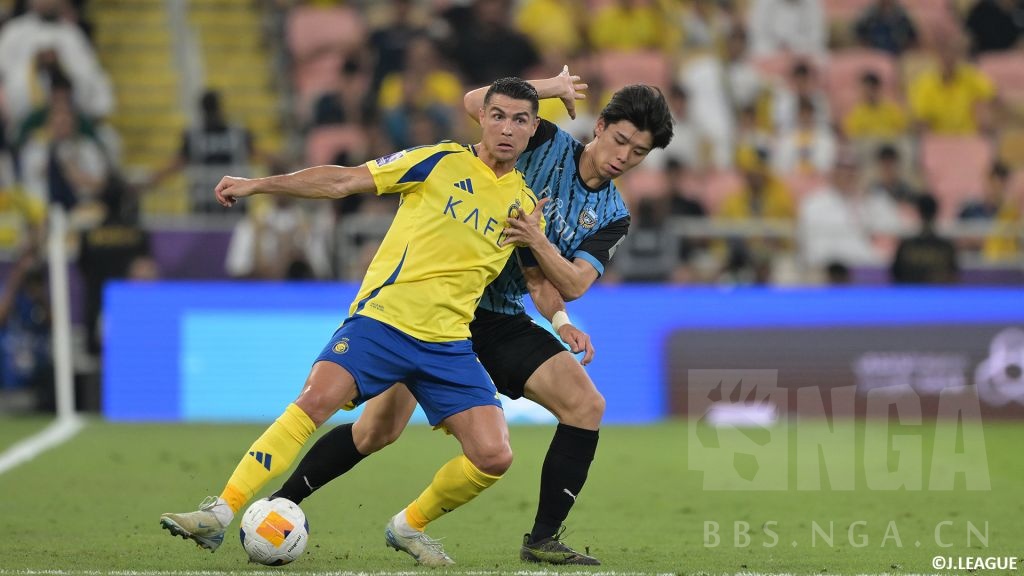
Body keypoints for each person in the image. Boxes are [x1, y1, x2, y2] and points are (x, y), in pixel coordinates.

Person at [270, 68, 673, 565]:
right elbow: (475, 102)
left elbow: (568, 283)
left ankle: (540, 539)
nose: (623, 157)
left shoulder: (614, 215)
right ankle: (279, 504)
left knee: (586, 405)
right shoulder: (543, 139)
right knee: (377, 432)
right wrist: (548, 90)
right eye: (620, 141)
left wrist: (560, 316)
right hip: (439, 303)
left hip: (498, 316)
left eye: (638, 152)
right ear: (601, 126)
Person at [159, 78, 567, 567]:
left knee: (494, 455)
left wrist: (561, 316)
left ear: (533, 129)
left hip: (449, 343)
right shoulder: (439, 160)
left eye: (520, 120)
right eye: (498, 115)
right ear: (481, 116)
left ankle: (408, 526)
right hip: (384, 323)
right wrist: (258, 184)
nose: (507, 128)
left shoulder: (525, 205)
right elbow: (344, 181)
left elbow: (537, 280)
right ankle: (220, 512)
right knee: (316, 401)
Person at [890, 193, 958, 284]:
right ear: (936, 212)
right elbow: (952, 276)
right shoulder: (946, 247)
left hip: (913, 292)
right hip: (935, 292)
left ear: (919, 212)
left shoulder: (906, 246)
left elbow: (897, 277)